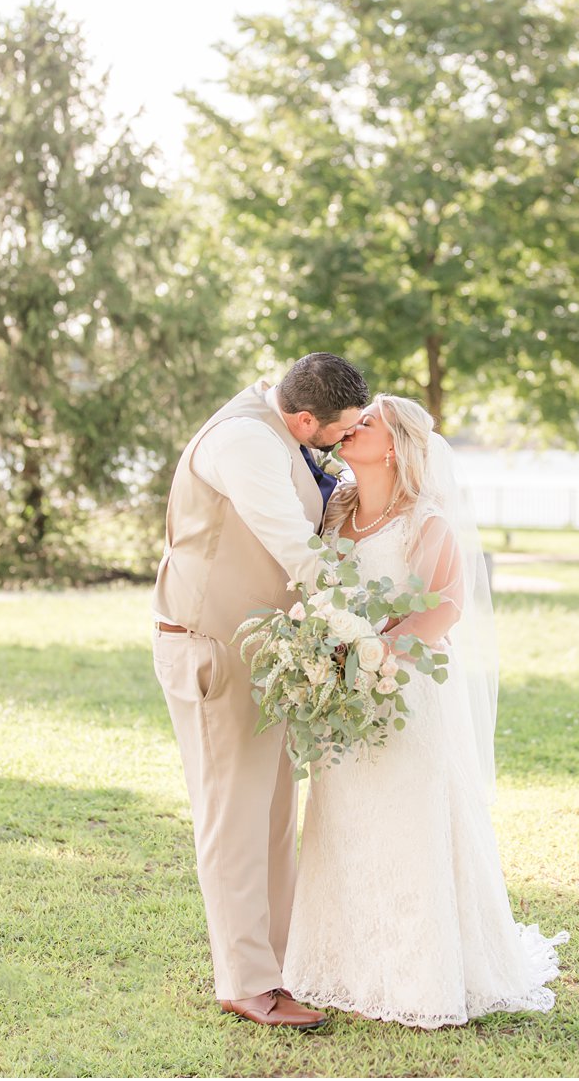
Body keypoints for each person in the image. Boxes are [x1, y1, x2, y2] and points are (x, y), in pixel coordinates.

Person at [282, 394, 567, 1026]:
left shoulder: (427, 520)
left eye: (368, 422)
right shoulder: (336, 508)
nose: (353, 426)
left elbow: (444, 609)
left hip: (405, 690)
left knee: (409, 824)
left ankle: (420, 976)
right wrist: (328, 656)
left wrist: (377, 652)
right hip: (343, 694)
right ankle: (346, 965)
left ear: (394, 445)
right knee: (346, 821)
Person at [151, 353, 369, 1029]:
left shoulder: (284, 431)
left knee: (275, 812)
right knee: (234, 818)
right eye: (341, 431)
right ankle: (246, 980)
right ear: (305, 417)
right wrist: (360, 627)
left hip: (266, 650)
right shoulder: (245, 440)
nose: (344, 442)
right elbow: (291, 544)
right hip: (214, 646)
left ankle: (277, 968)